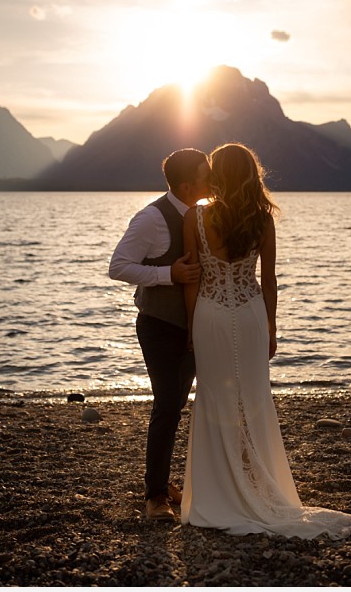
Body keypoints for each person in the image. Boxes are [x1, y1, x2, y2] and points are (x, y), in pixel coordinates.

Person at [179, 143, 351, 538]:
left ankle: (219, 492)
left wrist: (192, 327)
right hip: (249, 312)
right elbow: (269, 281)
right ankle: (257, 485)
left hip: (209, 315)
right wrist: (272, 327)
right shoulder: (263, 220)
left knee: (214, 399)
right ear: (250, 175)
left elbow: (193, 278)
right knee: (254, 399)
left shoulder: (196, 216)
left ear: (218, 175)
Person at [109, 148, 211, 521]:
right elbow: (118, 266)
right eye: (206, 173)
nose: (212, 178)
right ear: (187, 185)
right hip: (160, 326)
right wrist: (170, 274)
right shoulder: (151, 218)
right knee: (168, 405)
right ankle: (155, 496)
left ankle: (167, 481)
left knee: (184, 404)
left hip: (197, 326)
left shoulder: (203, 215)